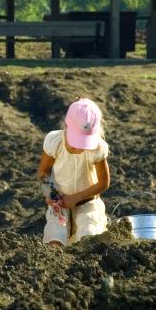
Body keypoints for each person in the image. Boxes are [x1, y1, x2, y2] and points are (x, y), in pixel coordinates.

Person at [37, 98, 110, 246]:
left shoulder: (97, 148)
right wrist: (50, 194)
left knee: (89, 239)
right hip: (60, 204)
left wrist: (76, 198)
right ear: (66, 126)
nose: (79, 148)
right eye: (76, 142)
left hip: (88, 203)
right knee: (54, 238)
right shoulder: (55, 142)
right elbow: (43, 172)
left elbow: (103, 182)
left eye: (84, 143)